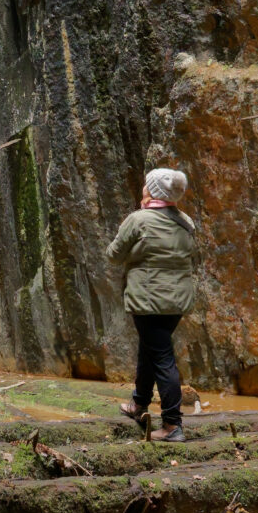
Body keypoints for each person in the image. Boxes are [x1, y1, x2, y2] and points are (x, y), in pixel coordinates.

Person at [106, 167, 197, 442]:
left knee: (161, 357)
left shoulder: (139, 220)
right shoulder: (186, 222)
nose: (143, 188)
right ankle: (139, 404)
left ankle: (172, 425)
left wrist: (136, 251)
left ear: (153, 191)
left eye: (146, 185)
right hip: (177, 302)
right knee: (150, 349)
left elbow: (113, 255)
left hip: (148, 300)